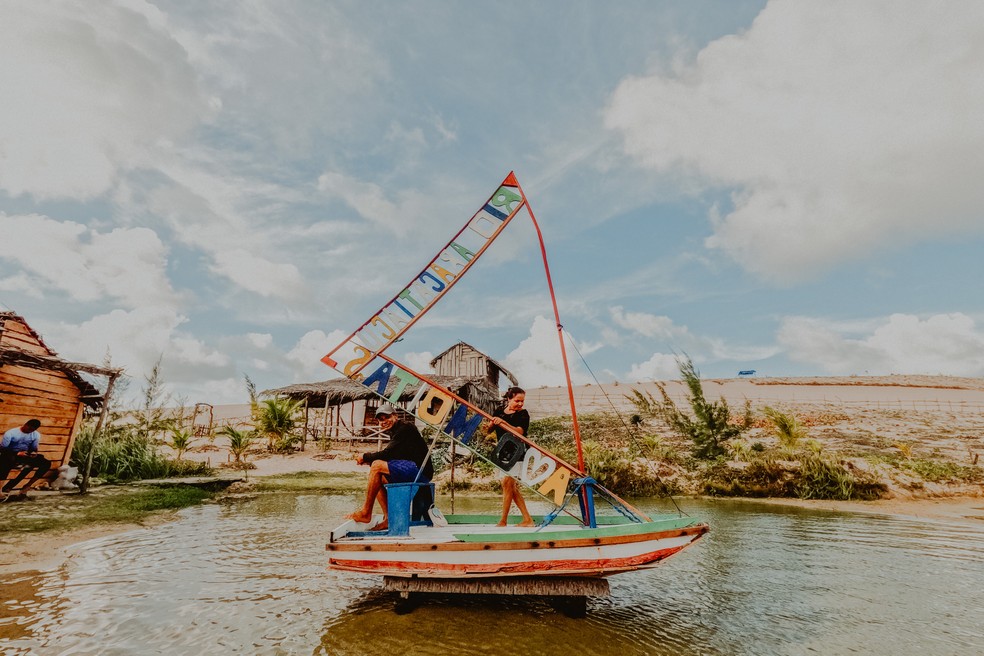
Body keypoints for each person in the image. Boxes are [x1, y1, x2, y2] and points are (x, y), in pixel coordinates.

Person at [347, 404, 433, 530]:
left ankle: (366, 512)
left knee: (376, 466)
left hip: (420, 470)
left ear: (395, 416)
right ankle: (388, 518)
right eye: (381, 419)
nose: (384, 421)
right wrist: (370, 460)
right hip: (412, 468)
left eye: (387, 417)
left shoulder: (405, 428)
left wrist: (365, 457)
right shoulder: (397, 431)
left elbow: (388, 454)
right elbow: (394, 456)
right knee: (378, 477)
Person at [488, 387, 534, 527]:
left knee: (508, 484)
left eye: (522, 401)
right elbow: (489, 430)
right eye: (517, 400)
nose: (520, 404)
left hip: (517, 452)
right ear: (509, 399)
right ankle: (527, 519)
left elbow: (519, 432)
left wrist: (502, 422)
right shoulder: (499, 412)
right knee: (510, 486)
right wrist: (491, 423)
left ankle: (503, 521)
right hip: (502, 452)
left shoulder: (523, 414)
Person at [1, 419, 51, 500]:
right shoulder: (11, 433)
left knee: (46, 463)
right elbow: (2, 449)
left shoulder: (35, 435)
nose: (30, 431)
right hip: (10, 455)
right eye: (29, 429)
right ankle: (2, 490)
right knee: (6, 461)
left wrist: (33, 453)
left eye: (32, 430)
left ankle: (27, 486)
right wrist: (17, 453)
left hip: (25, 455)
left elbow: (34, 448)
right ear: (26, 425)